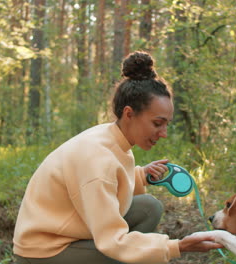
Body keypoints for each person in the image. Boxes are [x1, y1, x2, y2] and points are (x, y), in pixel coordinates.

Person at [13, 51, 223, 264]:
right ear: (129, 114)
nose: (164, 133)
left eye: (167, 124)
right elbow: (112, 240)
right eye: (157, 123)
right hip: (43, 250)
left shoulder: (110, 138)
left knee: (148, 207)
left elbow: (107, 181)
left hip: (67, 230)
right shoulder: (97, 159)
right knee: (127, 255)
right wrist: (177, 247)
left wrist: (142, 176)